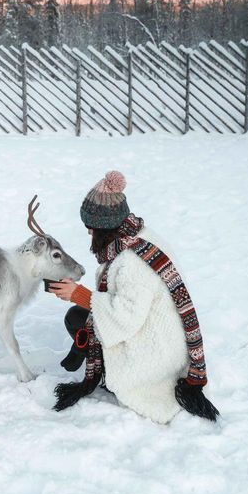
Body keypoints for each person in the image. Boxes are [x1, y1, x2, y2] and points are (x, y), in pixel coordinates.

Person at [48, 170, 218, 423]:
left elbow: (126, 318)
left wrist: (80, 295)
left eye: (91, 229)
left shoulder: (132, 261)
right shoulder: (136, 237)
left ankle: (114, 372)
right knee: (79, 317)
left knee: (79, 317)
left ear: (105, 228)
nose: (88, 234)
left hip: (155, 350)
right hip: (154, 329)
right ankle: (88, 355)